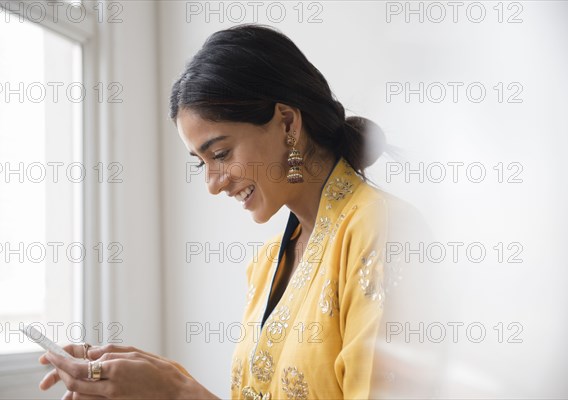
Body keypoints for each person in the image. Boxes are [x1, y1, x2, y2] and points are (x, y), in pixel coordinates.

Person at [39, 24, 418, 399]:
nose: (213, 183)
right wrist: (159, 382)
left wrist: (177, 392)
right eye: (200, 162)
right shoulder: (268, 263)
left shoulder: (384, 230)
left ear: (287, 122)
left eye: (220, 154)